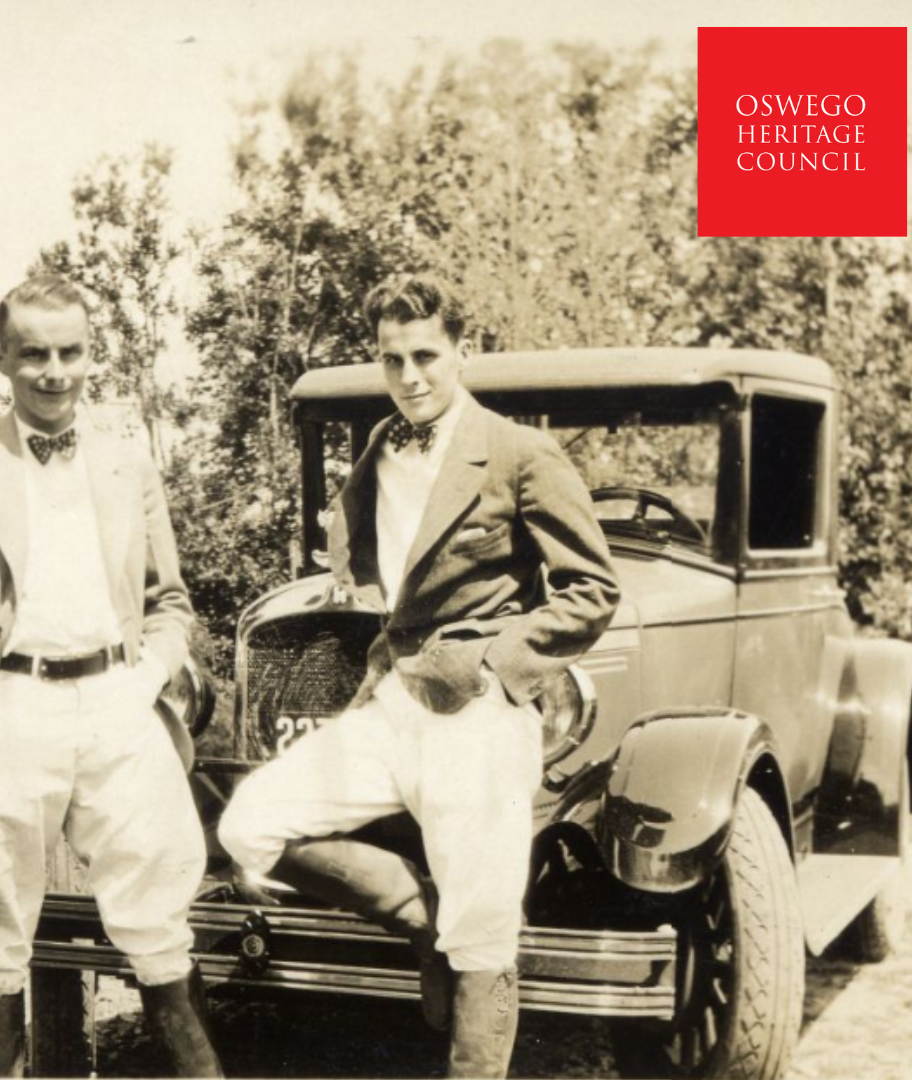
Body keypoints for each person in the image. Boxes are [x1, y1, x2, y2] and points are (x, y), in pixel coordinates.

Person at [219, 273, 620, 1078]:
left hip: (478, 716)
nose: (410, 376)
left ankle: (462, 988)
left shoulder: (519, 451)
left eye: (426, 356)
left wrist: (500, 663)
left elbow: (595, 589)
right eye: (391, 359)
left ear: (462, 352)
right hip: (392, 702)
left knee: (483, 934)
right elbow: (365, 551)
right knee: (249, 823)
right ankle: (420, 921)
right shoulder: (379, 446)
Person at [0, 276, 222, 1078]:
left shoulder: (128, 466)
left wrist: (150, 675)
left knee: (162, 922)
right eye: (34, 354)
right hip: (11, 709)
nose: (54, 371)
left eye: (70, 352)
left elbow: (171, 601)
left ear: (92, 356)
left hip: (118, 704)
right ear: (2, 359)